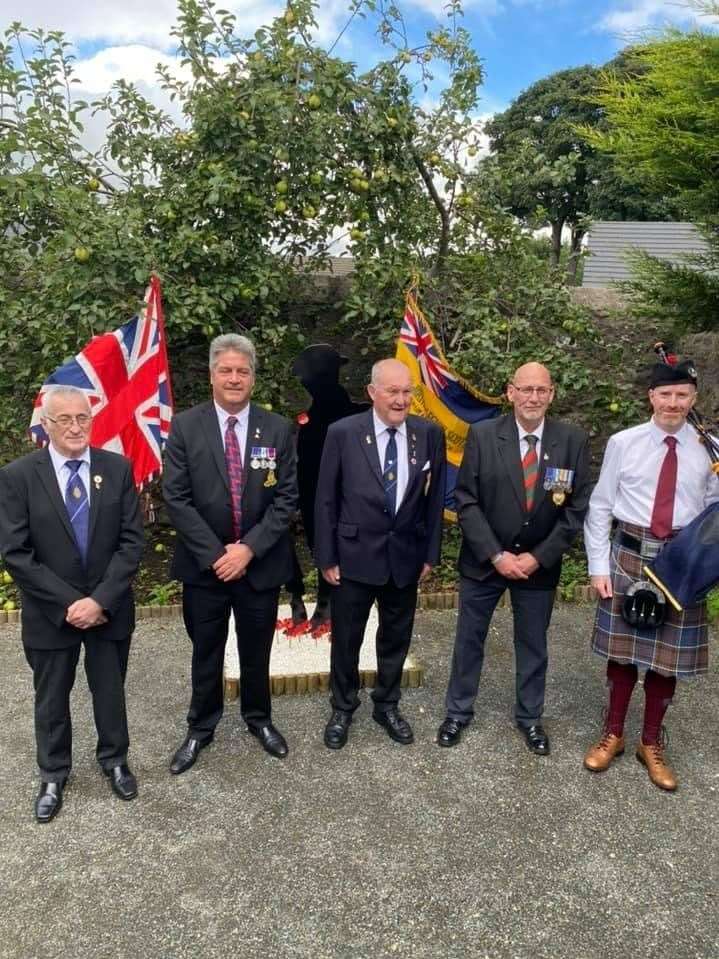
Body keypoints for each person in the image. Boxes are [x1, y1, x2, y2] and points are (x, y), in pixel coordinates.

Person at [0, 386, 144, 822]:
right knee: (50, 698)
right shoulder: (19, 476)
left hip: (108, 609)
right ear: (45, 425)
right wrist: (71, 603)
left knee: (110, 690)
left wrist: (99, 600)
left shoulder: (116, 469)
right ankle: (53, 772)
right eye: (64, 419)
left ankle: (115, 759)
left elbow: (132, 542)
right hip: (50, 614)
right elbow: (16, 553)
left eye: (82, 417)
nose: (76, 427)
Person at [436, 362, 591, 755]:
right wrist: (495, 554)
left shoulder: (572, 440)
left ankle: (530, 718)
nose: (533, 397)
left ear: (552, 394)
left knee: (533, 643)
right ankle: (457, 712)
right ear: (510, 392)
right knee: (469, 640)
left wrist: (538, 557)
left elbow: (576, 509)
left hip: (538, 566)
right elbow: (466, 500)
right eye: (526, 389)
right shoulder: (484, 435)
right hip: (485, 561)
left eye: (541, 390)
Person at [163, 333, 298, 771]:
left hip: (259, 567)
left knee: (257, 649)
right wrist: (218, 554)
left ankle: (258, 719)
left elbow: (287, 499)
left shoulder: (277, 428)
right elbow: (176, 498)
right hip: (206, 569)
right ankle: (200, 728)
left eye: (242, 371)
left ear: (253, 379)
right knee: (206, 649)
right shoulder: (185, 427)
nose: (234, 378)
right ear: (212, 376)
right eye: (226, 370)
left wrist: (248, 550)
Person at [583, 359, 719, 791]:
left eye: (682, 396)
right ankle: (614, 733)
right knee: (621, 656)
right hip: (629, 556)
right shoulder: (624, 442)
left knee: (666, 663)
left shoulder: (711, 449)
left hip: (682, 561)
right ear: (651, 397)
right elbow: (601, 505)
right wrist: (598, 566)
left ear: (694, 399)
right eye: (666, 395)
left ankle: (650, 742)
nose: (673, 404)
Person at [314, 358, 446, 749]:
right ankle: (342, 707)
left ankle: (387, 704)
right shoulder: (342, 432)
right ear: (373, 392)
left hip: (404, 555)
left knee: (396, 637)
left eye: (407, 392)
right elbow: (325, 499)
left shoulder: (429, 434)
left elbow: (434, 500)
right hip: (353, 555)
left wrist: (430, 554)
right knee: (348, 638)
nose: (401, 399)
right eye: (393, 391)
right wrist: (326, 557)